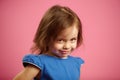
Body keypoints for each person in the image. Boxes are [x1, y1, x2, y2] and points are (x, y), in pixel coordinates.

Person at [13, 5, 84, 80]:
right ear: (46, 38)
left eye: (72, 39)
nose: (67, 46)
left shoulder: (75, 63)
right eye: (60, 40)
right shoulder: (40, 63)